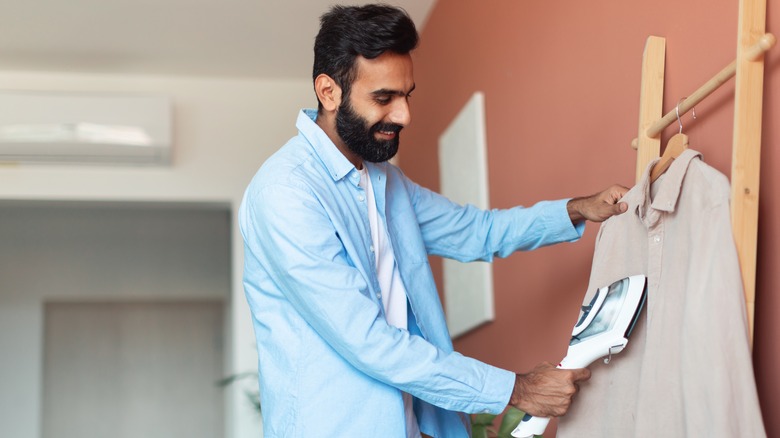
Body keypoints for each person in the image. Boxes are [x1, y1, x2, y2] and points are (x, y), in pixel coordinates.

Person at [238, 4, 628, 437]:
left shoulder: (386, 182)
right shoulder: (286, 194)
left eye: (407, 95)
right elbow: (368, 340)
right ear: (329, 92)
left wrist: (577, 209)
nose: (404, 115)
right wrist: (514, 389)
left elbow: (477, 232)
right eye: (384, 98)